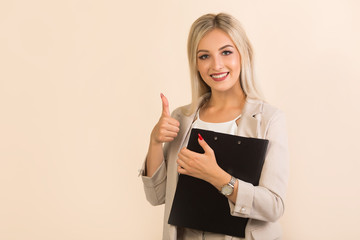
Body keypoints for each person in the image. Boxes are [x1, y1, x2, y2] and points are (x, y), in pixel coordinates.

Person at [139, 13, 289, 240]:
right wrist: (154, 142)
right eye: (204, 56)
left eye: (226, 52)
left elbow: (274, 206)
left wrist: (218, 177)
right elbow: (157, 197)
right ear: (196, 63)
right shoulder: (182, 118)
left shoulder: (268, 119)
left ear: (243, 54)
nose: (216, 65)